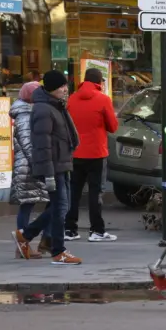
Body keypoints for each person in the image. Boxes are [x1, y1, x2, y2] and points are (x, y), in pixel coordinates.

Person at [11, 70, 82, 266]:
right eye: (61, 87)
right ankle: (58, 251)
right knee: (60, 208)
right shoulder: (43, 109)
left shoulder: (56, 106)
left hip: (62, 163)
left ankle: (26, 234)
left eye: (66, 86)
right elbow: (42, 145)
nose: (65, 89)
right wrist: (48, 174)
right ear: (51, 89)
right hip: (54, 166)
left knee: (63, 207)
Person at [64, 68, 119, 242]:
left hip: (75, 153)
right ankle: (97, 230)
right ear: (99, 82)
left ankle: (69, 229)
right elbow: (113, 126)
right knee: (96, 193)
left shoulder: (71, 99)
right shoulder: (103, 100)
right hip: (96, 152)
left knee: (73, 191)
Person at [10, 82, 52, 259]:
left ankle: (28, 244)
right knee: (49, 203)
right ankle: (25, 243)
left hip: (28, 165)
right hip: (29, 167)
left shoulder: (27, 111)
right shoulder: (25, 114)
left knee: (29, 205)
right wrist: (40, 164)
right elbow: (28, 143)